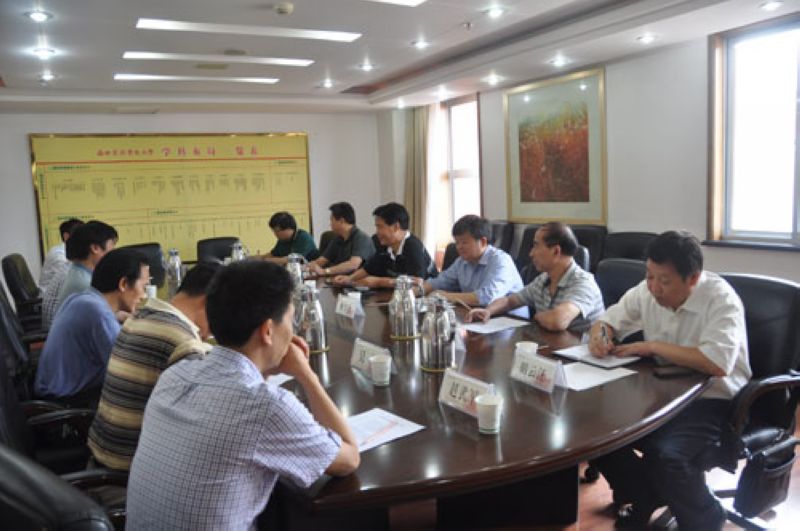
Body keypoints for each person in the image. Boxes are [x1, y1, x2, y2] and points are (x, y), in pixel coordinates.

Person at [126, 261, 360, 530]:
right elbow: (349, 459)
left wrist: (264, 368)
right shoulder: (267, 407)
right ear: (268, 331)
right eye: (290, 320)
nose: (293, 331)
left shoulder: (174, 375)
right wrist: (307, 376)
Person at [587, 231, 751, 530]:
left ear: (693, 279)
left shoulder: (721, 300)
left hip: (712, 400)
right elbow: (607, 320)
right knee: (597, 436)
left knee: (666, 455)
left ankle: (706, 516)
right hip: (662, 391)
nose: (654, 287)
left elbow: (716, 363)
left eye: (664, 280)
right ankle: (646, 494)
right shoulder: (647, 290)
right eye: (649, 276)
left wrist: (652, 346)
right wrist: (601, 335)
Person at [87, 262, 221, 471]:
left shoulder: (139, 317)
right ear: (207, 302)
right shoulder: (182, 341)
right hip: (129, 469)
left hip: (102, 455)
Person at [34, 248, 149, 406]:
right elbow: (126, 371)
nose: (144, 296)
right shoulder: (98, 313)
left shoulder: (84, 298)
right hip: (69, 402)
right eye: (144, 287)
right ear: (123, 284)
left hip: (54, 389)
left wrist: (116, 316)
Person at [466, 222, 603, 331]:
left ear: (556, 251)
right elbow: (509, 301)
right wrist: (488, 311)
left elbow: (557, 321)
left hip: (583, 353)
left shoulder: (583, 283)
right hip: (552, 348)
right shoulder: (544, 279)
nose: (531, 253)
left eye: (536, 246)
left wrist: (537, 317)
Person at [423, 215, 527, 318]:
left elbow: (486, 297)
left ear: (483, 242)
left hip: (511, 320)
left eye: (464, 242)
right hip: (480, 316)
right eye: (457, 242)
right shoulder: (461, 262)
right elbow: (439, 282)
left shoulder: (501, 260)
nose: (459, 247)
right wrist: (418, 290)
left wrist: (445, 296)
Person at [333, 202, 433, 288]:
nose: (377, 232)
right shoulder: (382, 244)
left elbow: (416, 283)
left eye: (380, 227)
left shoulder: (413, 247)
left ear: (395, 227)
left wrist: (379, 282)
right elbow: (369, 268)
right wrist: (349, 278)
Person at [42, 220, 118, 328]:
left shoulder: (76, 270)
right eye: (112, 246)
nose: (113, 252)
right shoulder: (84, 284)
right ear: (95, 248)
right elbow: (105, 319)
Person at [307, 202, 375, 276]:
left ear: (341, 221)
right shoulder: (338, 238)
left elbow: (353, 265)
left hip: (358, 281)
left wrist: (325, 271)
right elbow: (322, 260)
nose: (330, 224)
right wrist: (304, 267)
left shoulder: (362, 238)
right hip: (339, 279)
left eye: (331, 220)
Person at [39, 217, 83, 294]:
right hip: (50, 297)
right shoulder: (59, 255)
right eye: (82, 236)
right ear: (66, 236)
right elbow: (74, 281)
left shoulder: (66, 251)